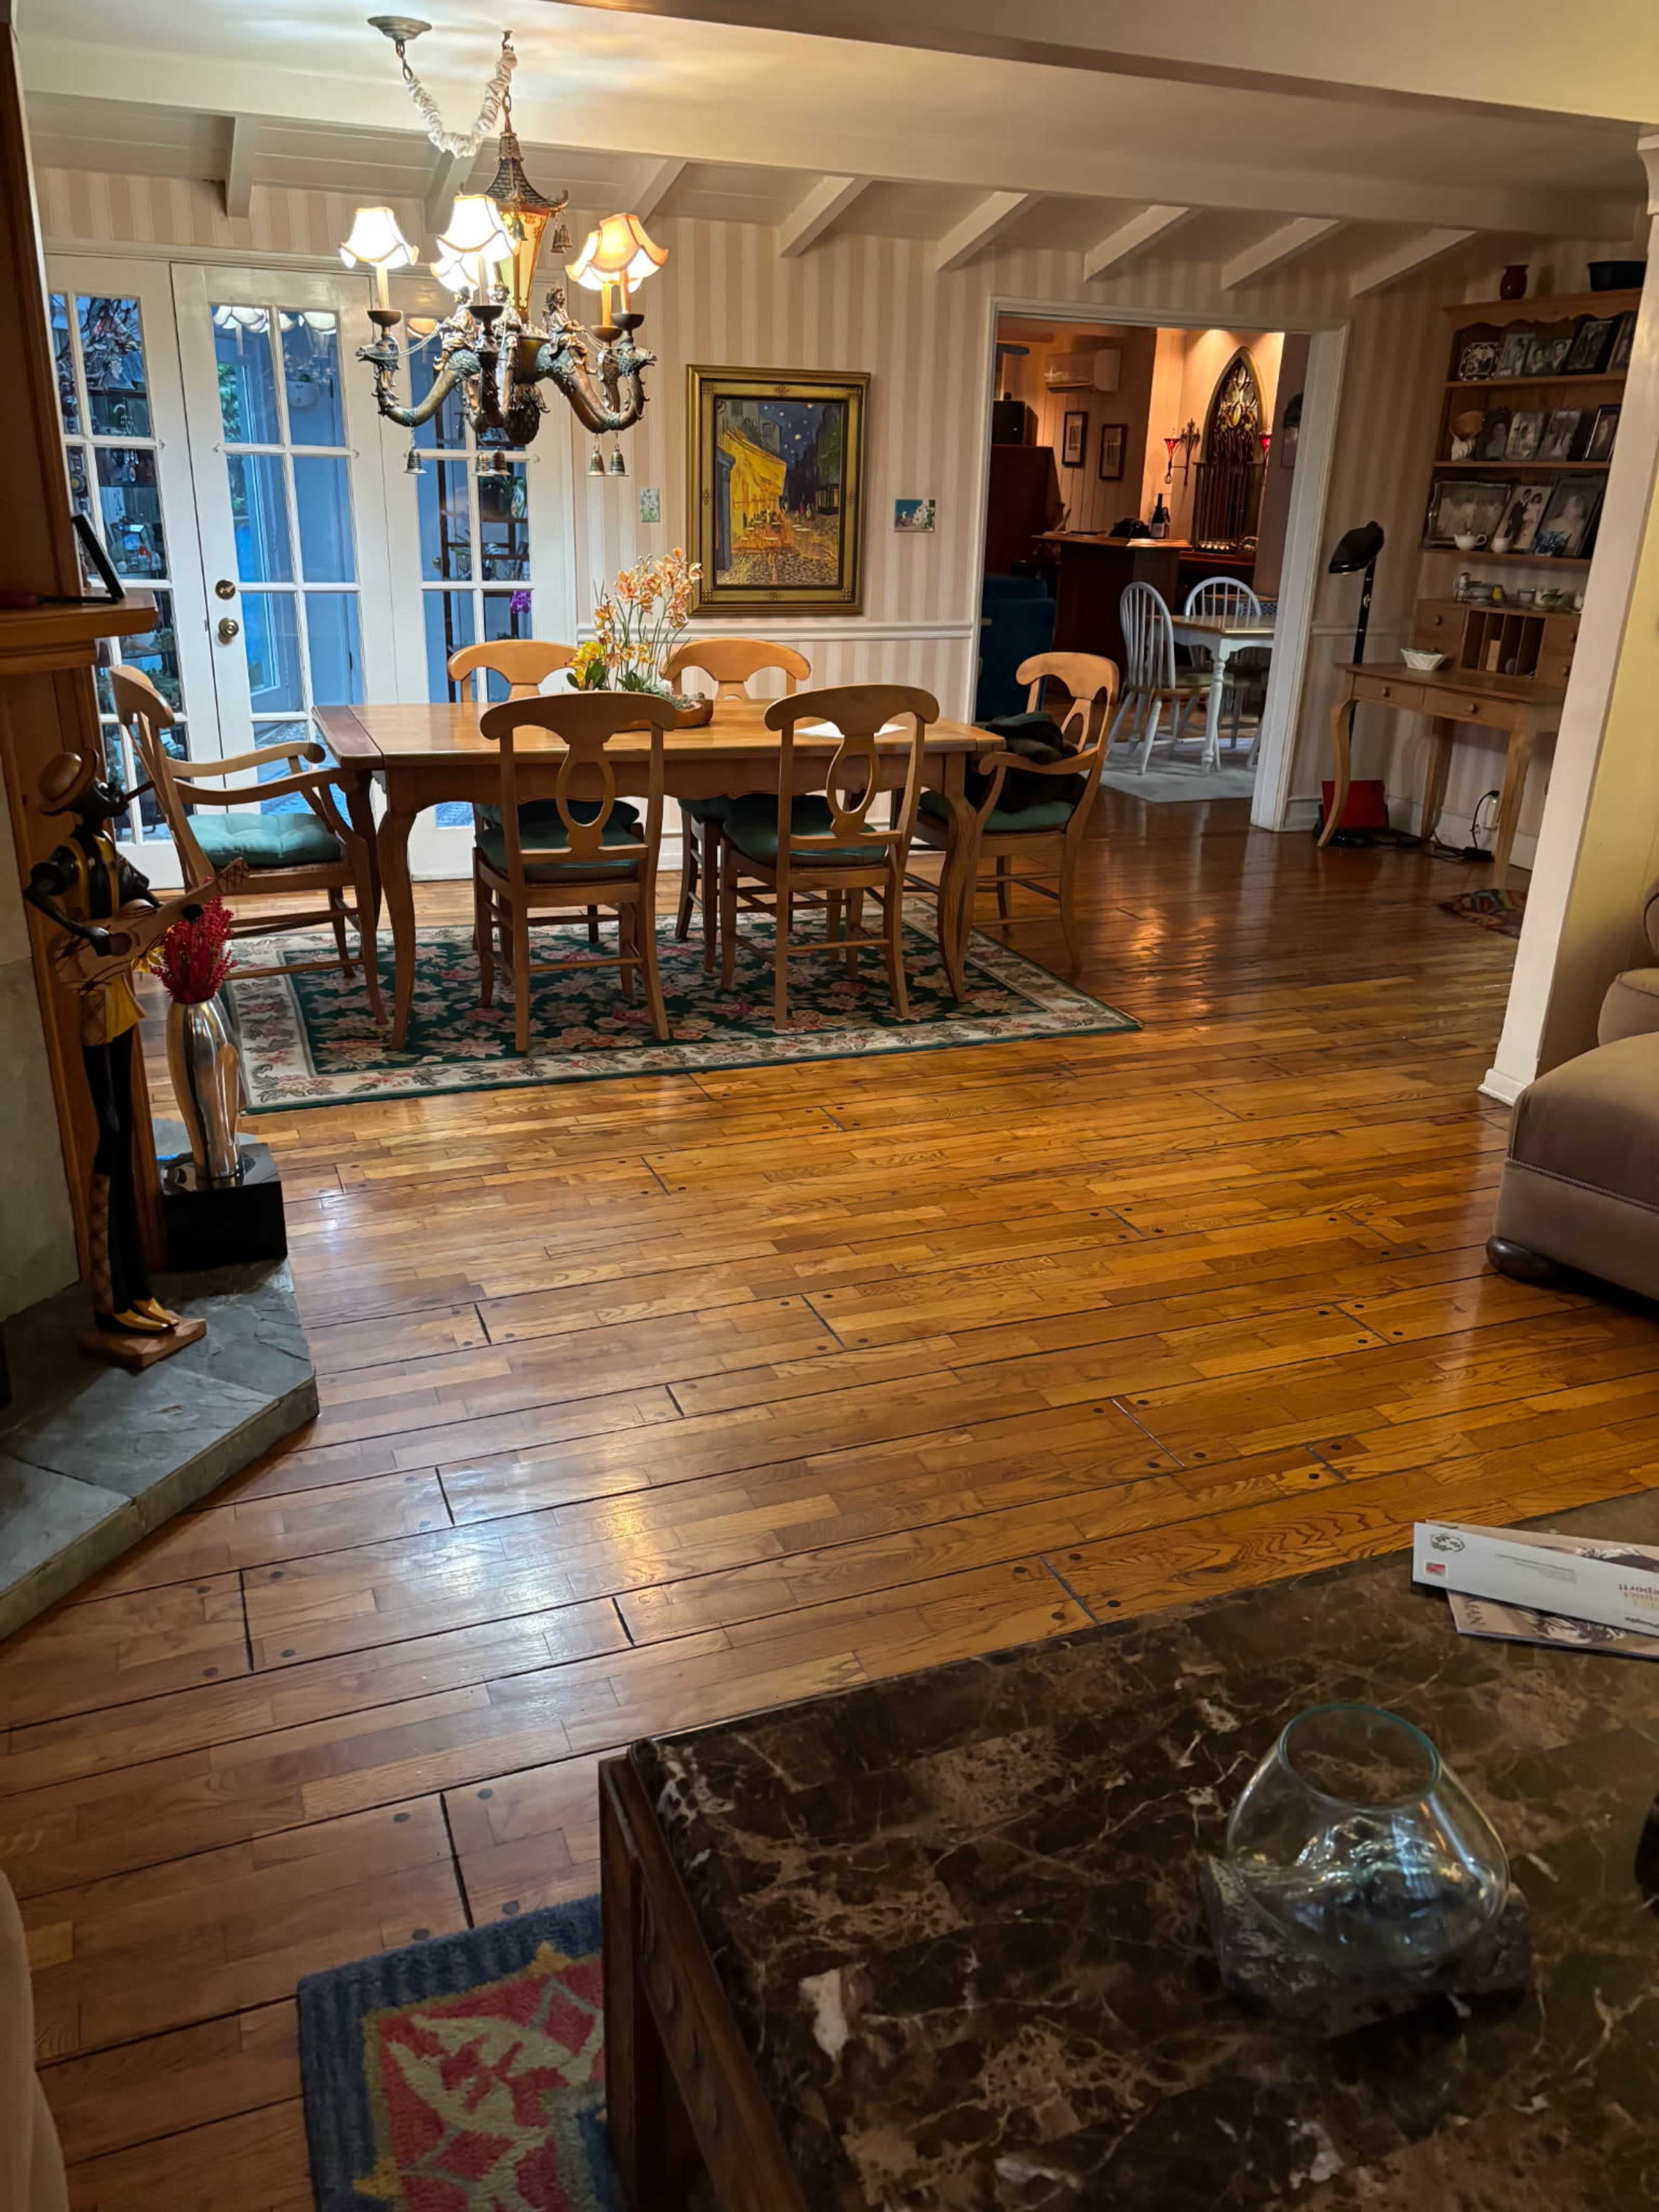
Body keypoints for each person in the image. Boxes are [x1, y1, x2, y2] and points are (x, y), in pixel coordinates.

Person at [22, 750, 238, 1340]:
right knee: (111, 1134)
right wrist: (81, 932)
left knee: (126, 1133)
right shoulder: (72, 855)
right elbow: (35, 890)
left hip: (118, 995)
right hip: (96, 997)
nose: (111, 788)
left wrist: (191, 904)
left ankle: (137, 1290)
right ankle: (110, 1297)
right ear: (80, 802)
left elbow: (149, 906)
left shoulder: (110, 853)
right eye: (98, 785)